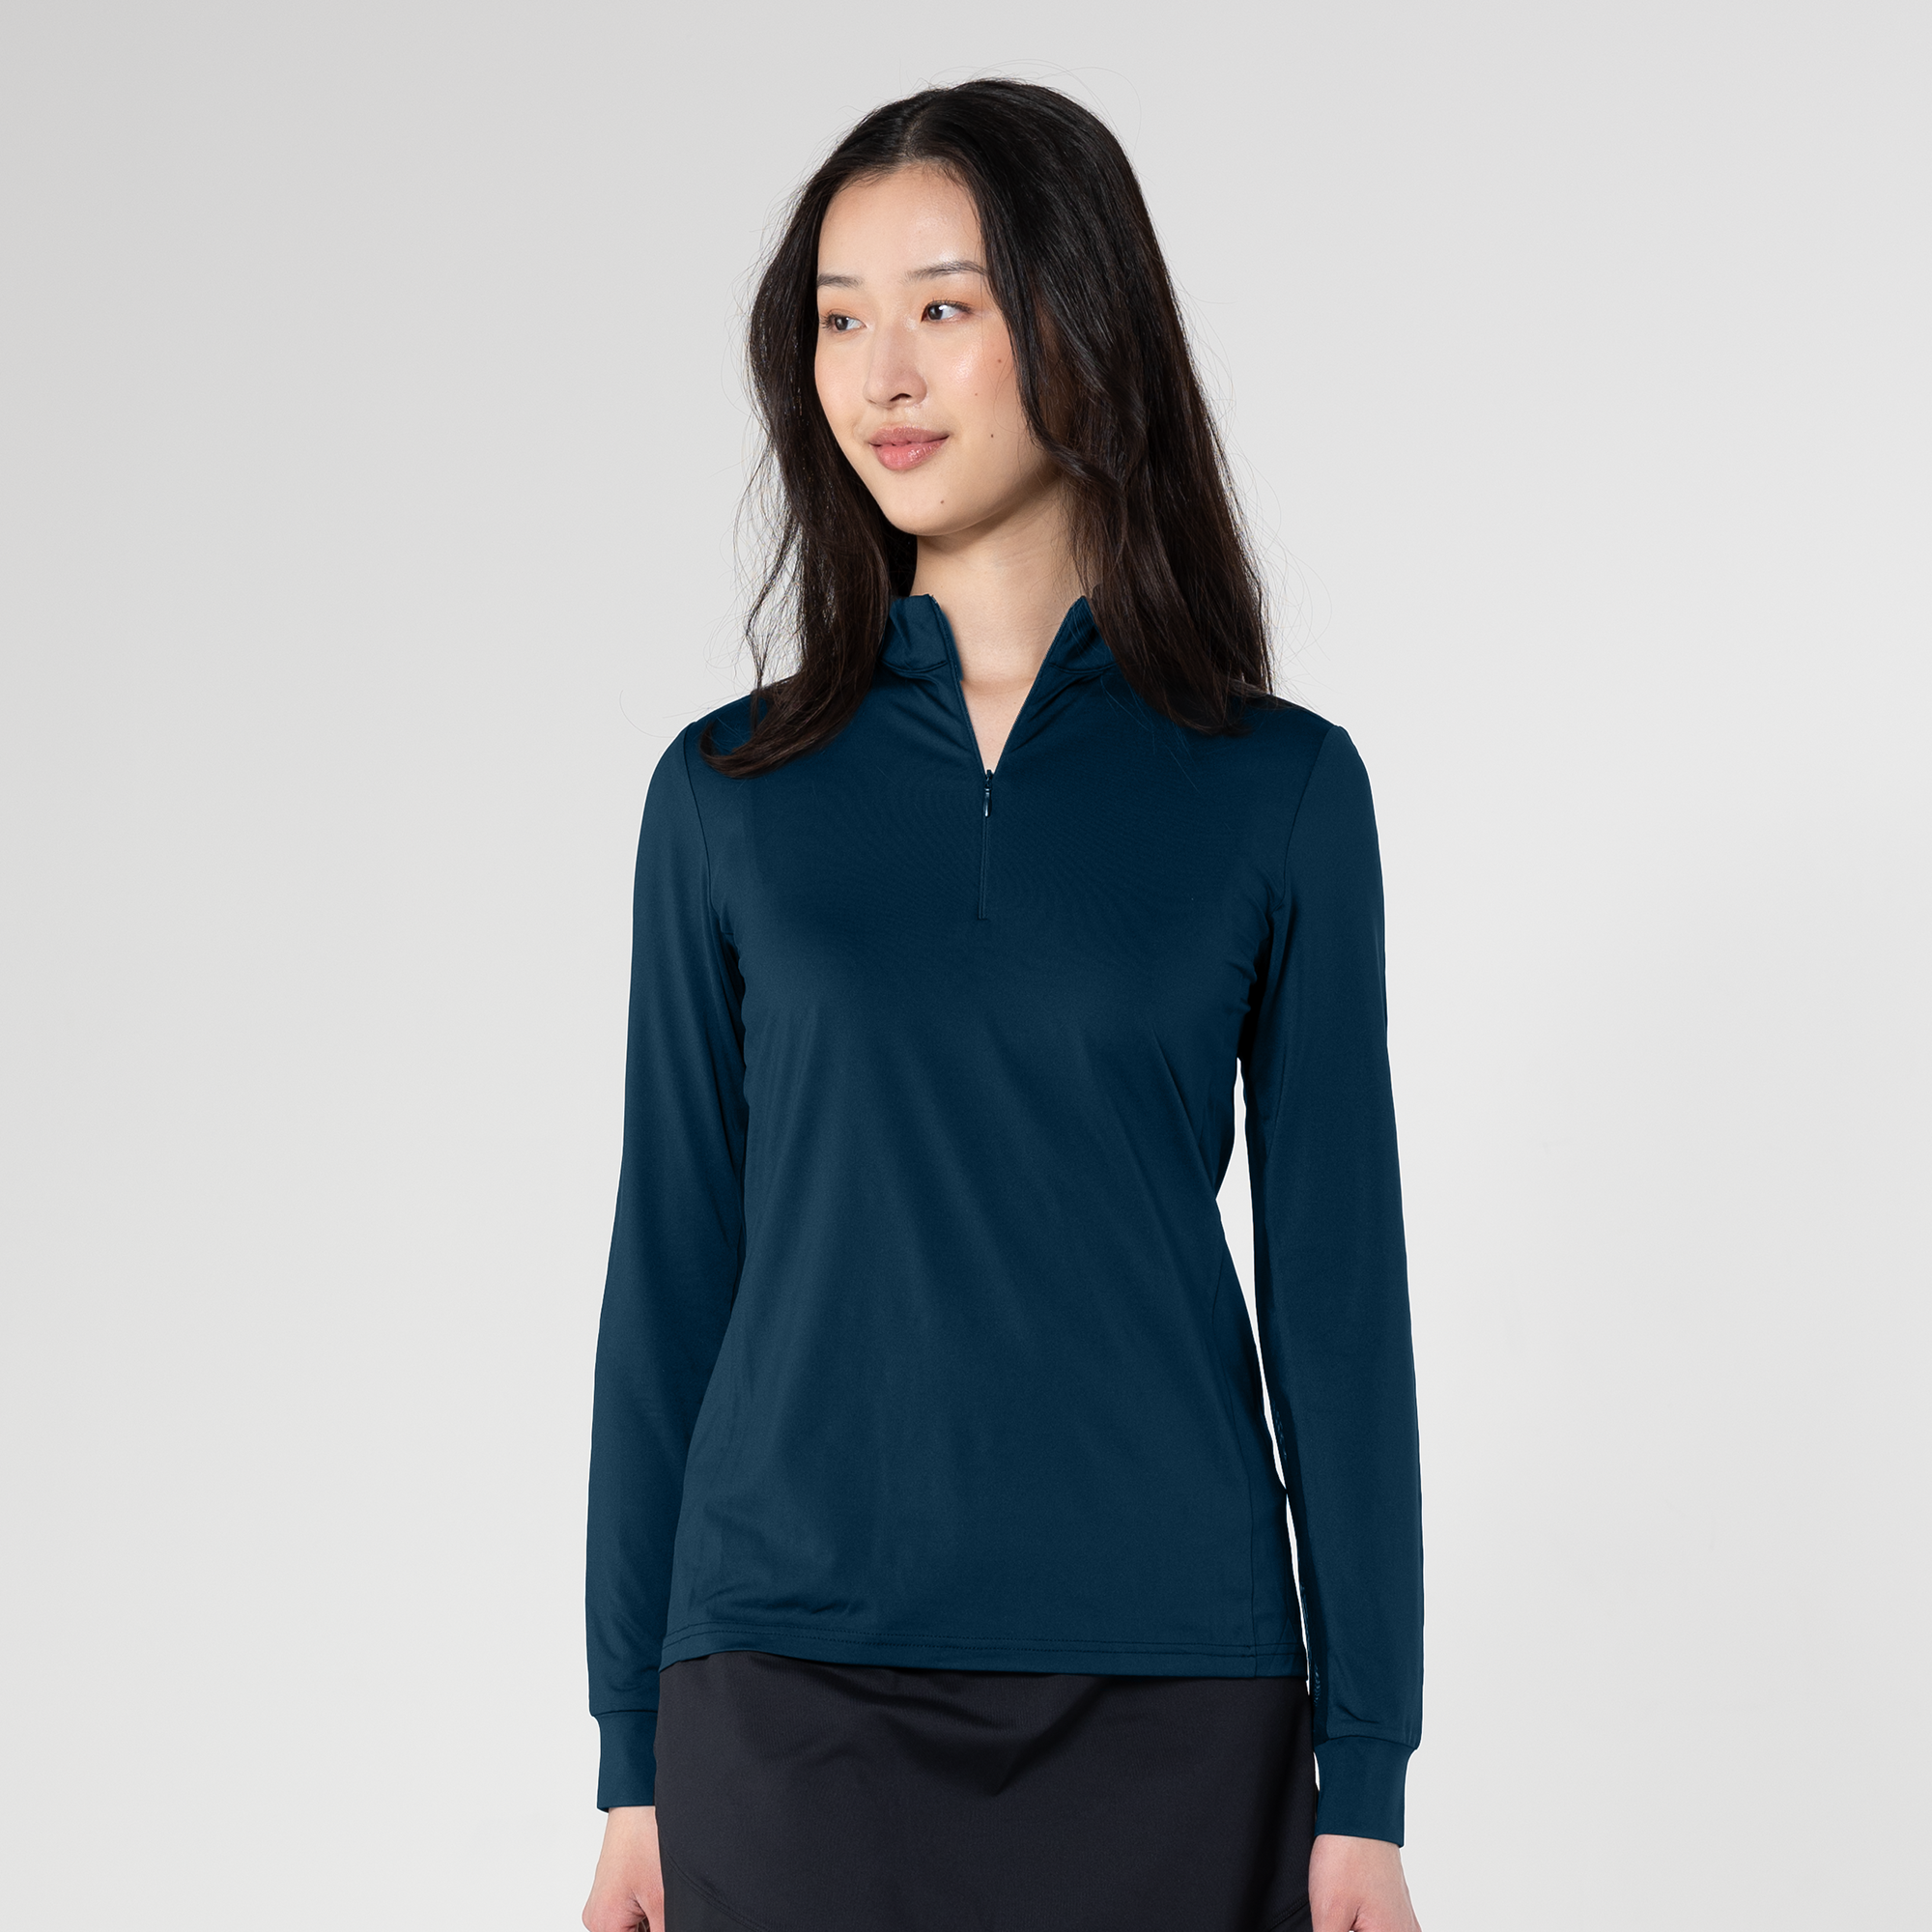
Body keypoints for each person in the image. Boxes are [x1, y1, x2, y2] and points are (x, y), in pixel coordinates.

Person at [581, 77, 1423, 1932]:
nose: (881, 373)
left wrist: (1365, 1775)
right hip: (786, 1682)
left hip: (1172, 1690)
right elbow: (669, 1281)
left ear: (1081, 320)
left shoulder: (1277, 788)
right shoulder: (725, 796)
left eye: (943, 307)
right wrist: (630, 1755)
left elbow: (1339, 1298)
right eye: (838, 318)